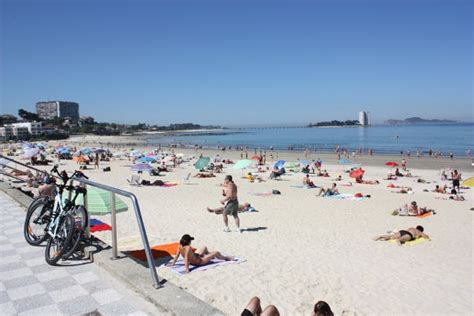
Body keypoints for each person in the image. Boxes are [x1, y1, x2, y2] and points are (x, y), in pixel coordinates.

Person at [168, 234, 234, 274]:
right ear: (188, 242)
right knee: (216, 252)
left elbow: (176, 256)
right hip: (200, 261)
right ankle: (227, 258)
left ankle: (209, 255)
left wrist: (173, 264)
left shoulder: (179, 246)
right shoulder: (188, 247)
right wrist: (187, 269)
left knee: (204, 247)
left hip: (196, 257)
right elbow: (186, 258)